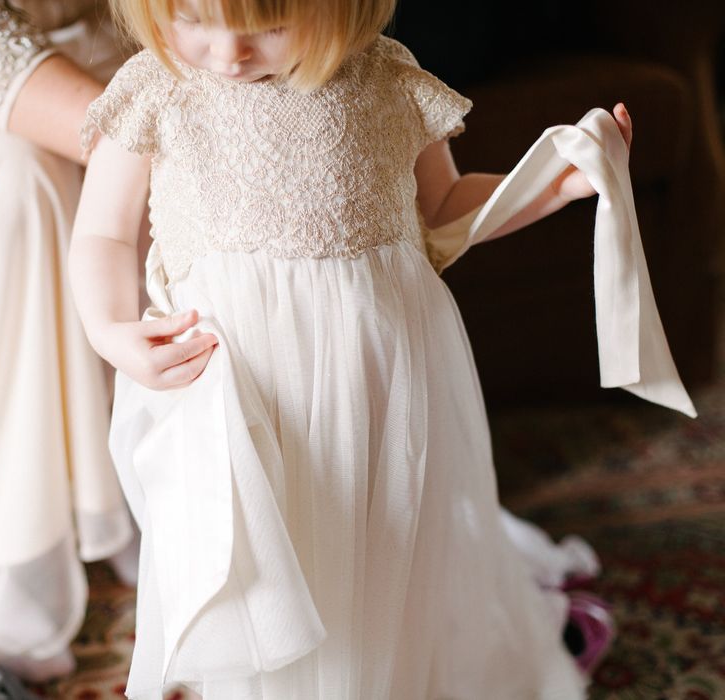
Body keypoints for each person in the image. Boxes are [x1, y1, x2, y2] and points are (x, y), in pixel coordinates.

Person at [67, 0, 670, 697]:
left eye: (266, 24)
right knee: (274, 564)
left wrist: (556, 186)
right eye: (193, 18)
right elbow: (104, 235)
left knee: (382, 554)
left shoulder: (386, 79)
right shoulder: (155, 88)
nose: (227, 51)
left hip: (380, 376)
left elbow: (443, 208)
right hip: (247, 389)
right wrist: (111, 332)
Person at [0, 0, 138, 682]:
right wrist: (143, 140)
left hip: (128, 34)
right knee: (20, 180)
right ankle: (9, 551)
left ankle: (155, 492)